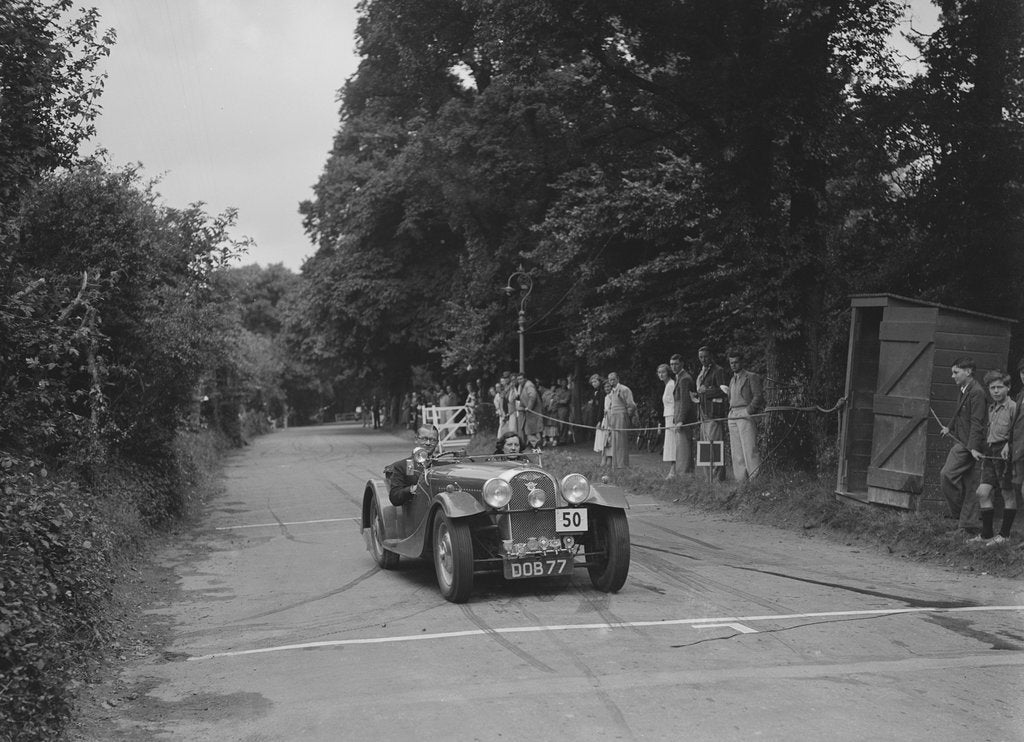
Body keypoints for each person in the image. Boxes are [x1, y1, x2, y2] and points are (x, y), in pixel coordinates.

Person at [939, 357, 988, 531]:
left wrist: (973, 447)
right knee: (970, 485)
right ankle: (968, 525)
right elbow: (959, 412)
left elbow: (977, 422)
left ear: (968, 372)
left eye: (956, 372)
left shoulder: (977, 392)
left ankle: (959, 514)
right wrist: (949, 427)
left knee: (946, 475)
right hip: (963, 440)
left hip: (968, 445)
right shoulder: (964, 388)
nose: (952, 376)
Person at [968, 370, 1017, 545]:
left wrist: (1009, 445)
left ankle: (1004, 535)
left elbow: (1019, 432)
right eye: (992, 388)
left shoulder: (1014, 407)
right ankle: (987, 534)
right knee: (982, 492)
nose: (995, 391)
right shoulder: (991, 408)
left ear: (1008, 388)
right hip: (990, 453)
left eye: (999, 387)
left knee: (1007, 493)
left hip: (1006, 454)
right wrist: (978, 449)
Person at [726, 350, 765, 483]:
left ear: (741, 362)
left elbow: (758, 396)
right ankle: (741, 480)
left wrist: (748, 411)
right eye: (731, 363)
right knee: (736, 450)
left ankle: (755, 479)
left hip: (745, 413)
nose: (734, 365)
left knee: (749, 448)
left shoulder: (751, 376)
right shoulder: (732, 379)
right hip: (733, 414)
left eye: (736, 362)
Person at [696, 346, 730, 481]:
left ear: (710, 356)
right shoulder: (702, 371)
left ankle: (718, 477)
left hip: (714, 413)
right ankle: (708, 477)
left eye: (705, 356)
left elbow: (724, 391)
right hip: (703, 412)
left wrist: (706, 391)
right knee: (704, 445)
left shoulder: (718, 370)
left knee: (715, 444)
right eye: (700, 357)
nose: (703, 359)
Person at [386, 425, 438, 506]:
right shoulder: (403, 466)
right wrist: (413, 489)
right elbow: (394, 498)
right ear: (416, 439)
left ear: (437, 442)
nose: (428, 443)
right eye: (424, 439)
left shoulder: (442, 465)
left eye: (432, 440)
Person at [669, 354, 697, 474]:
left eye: (676, 364)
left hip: (685, 419)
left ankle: (684, 473)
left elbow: (685, 401)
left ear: (682, 364)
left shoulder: (684, 378)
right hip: (680, 417)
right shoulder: (678, 377)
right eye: (671, 364)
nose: (673, 367)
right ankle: (687, 473)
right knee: (682, 447)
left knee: (684, 448)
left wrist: (681, 420)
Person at [606, 372, 637, 469]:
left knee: (621, 441)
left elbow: (631, 404)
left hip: (621, 416)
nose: (612, 382)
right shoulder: (612, 392)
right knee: (614, 441)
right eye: (610, 380)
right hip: (613, 417)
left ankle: (622, 464)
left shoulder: (624, 389)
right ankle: (615, 464)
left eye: (613, 379)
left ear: (618, 379)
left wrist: (629, 414)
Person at [655, 364, 677, 478]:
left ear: (668, 372)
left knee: (673, 443)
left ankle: (673, 471)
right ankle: (672, 470)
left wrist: (675, 417)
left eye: (663, 372)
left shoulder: (671, 384)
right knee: (670, 443)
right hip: (668, 416)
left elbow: (675, 402)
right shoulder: (667, 385)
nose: (661, 374)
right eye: (659, 372)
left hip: (672, 416)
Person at [515, 372, 543, 450]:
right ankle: (536, 445)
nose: (519, 381)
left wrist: (529, 407)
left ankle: (537, 445)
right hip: (528, 413)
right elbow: (523, 399)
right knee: (530, 430)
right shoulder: (522, 386)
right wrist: (521, 407)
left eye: (521, 379)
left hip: (534, 411)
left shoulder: (528, 385)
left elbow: (533, 396)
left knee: (533, 430)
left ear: (525, 379)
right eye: (518, 379)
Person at [593, 379, 613, 466]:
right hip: (605, 419)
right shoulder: (606, 397)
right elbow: (602, 409)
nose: (607, 388)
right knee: (604, 440)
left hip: (611, 420)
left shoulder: (613, 396)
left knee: (610, 440)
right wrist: (600, 421)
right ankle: (603, 459)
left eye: (608, 386)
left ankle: (609, 460)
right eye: (605, 387)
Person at [554, 377, 572, 444]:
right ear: (561, 383)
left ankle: (563, 439)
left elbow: (565, 401)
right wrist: (559, 400)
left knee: (563, 424)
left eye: (565, 383)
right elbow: (555, 398)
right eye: (563, 383)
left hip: (564, 409)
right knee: (557, 425)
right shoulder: (558, 390)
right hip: (557, 409)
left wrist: (559, 401)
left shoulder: (568, 392)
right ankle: (557, 439)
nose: (564, 384)